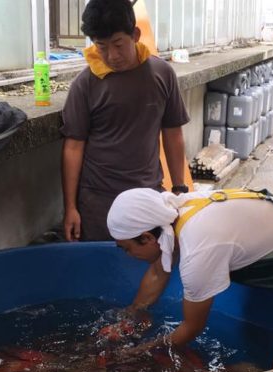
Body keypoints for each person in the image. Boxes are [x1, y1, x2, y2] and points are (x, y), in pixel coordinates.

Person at [105, 188, 273, 346]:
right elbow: (158, 270)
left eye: (126, 248)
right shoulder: (175, 210)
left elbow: (191, 328)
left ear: (147, 238)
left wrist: (137, 353)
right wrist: (132, 314)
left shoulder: (198, 253)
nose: (130, 255)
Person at [60, 0, 189, 242]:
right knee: (101, 268)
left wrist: (180, 191)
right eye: (102, 47)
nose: (112, 56)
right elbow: (73, 147)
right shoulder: (85, 84)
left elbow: (173, 133)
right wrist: (70, 208)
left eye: (118, 44)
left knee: (150, 266)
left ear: (135, 35)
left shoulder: (161, 74)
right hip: (98, 202)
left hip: (148, 197)